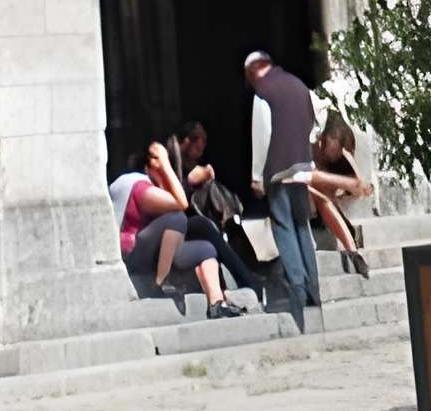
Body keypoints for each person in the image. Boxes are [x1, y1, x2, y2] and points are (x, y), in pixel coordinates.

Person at [109, 141, 246, 316]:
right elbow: (181, 202)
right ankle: (160, 283)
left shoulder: (150, 186)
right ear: (149, 168)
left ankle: (217, 304)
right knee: (177, 217)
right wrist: (164, 164)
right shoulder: (141, 189)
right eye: (162, 168)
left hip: (157, 251)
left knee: (206, 248)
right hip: (134, 253)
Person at [244, 48, 323, 328]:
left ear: (252, 71)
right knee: (302, 225)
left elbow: (262, 136)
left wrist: (257, 176)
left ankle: (297, 287)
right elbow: (318, 121)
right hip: (303, 165)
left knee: (283, 224)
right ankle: (314, 287)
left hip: (278, 170)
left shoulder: (263, 93)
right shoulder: (300, 86)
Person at [174, 118, 267, 295]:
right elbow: (189, 181)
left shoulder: (187, 162)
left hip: (198, 214)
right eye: (198, 148)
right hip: (180, 217)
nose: (200, 153)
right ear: (187, 141)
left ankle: (229, 219)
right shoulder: (174, 159)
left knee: (213, 217)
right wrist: (206, 172)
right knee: (210, 207)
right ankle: (229, 217)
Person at [309, 110, 373, 277]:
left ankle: (350, 247)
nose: (330, 157)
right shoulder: (309, 144)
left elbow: (357, 188)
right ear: (322, 139)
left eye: (335, 155)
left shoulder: (341, 152)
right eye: (329, 153)